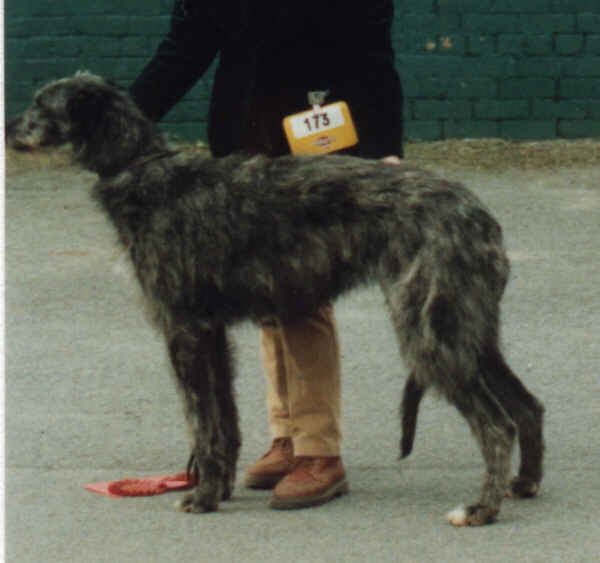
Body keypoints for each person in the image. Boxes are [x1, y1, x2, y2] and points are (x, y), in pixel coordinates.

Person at [129, 0, 404, 509]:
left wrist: (387, 146)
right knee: (261, 291)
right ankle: (288, 436)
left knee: (303, 293)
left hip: (323, 136)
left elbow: (372, 50)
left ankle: (321, 451)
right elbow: (183, 49)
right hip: (242, 137)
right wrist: (121, 123)